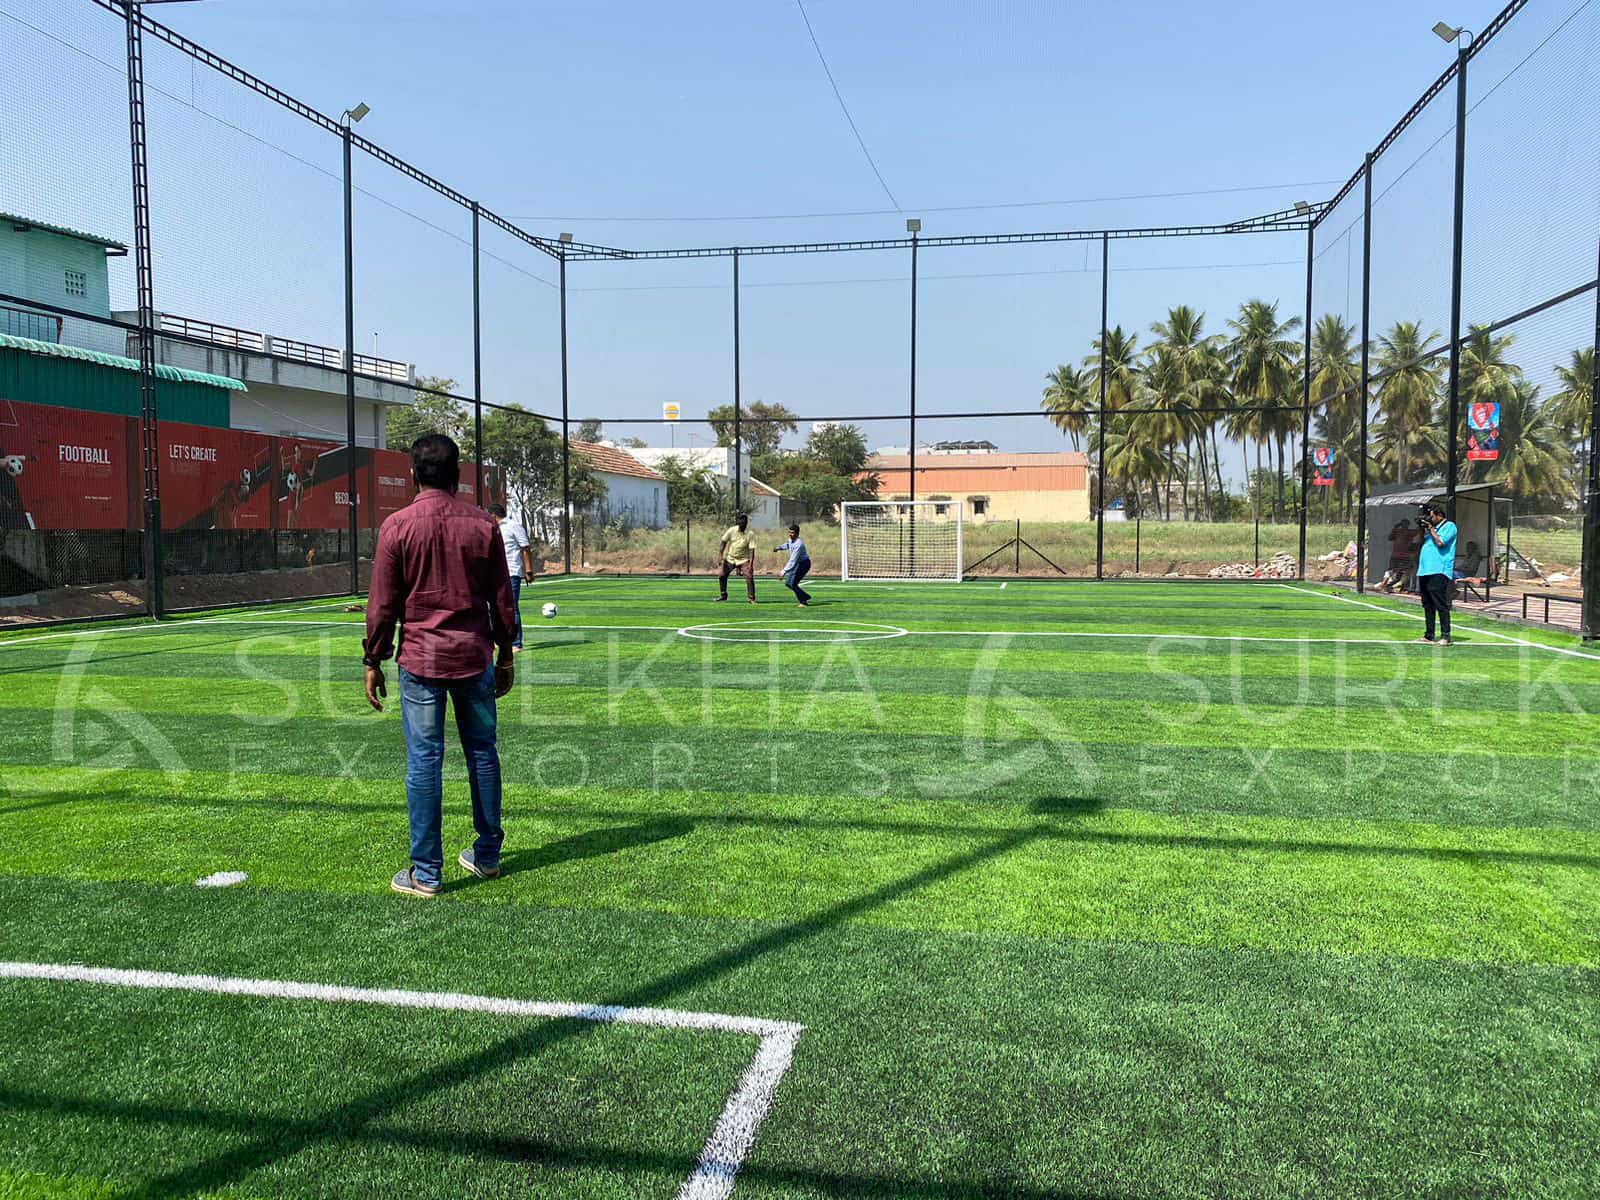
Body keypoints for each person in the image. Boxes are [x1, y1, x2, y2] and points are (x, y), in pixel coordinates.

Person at [363, 434, 518, 898]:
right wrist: (506, 650)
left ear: (413, 475)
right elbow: (501, 600)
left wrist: (373, 658)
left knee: (425, 760)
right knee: (482, 753)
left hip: (421, 661)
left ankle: (426, 873)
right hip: (474, 657)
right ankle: (487, 854)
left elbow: (382, 604)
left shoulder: (397, 526)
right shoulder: (484, 525)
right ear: (458, 475)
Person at [489, 503, 533, 652]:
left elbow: (525, 547)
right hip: (495, 573)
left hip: (512, 572)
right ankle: (498, 640)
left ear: (494, 515)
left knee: (512, 607)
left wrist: (528, 570)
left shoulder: (514, 526)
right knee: (494, 607)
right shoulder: (492, 528)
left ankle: (516, 643)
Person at [1415, 502, 1457, 646]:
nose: (1430, 519)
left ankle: (1446, 635)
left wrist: (1431, 528)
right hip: (1425, 570)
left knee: (1440, 603)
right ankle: (1429, 634)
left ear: (1439, 516)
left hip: (1440, 570)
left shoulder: (1449, 526)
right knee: (1427, 603)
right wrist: (1422, 529)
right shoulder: (1431, 530)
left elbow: (1440, 543)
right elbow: (1418, 542)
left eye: (1431, 517)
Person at [716, 511, 759, 604]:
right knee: (721, 575)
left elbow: (752, 550)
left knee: (749, 577)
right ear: (738, 523)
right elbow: (723, 542)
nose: (742, 525)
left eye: (744, 524)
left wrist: (751, 565)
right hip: (730, 558)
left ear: (746, 523)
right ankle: (723, 595)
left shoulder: (750, 534)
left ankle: (751, 598)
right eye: (740, 524)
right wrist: (720, 555)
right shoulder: (732, 530)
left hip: (744, 559)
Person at [774, 523, 812, 607]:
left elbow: (792, 560)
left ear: (797, 534)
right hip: (797, 564)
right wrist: (779, 548)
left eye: (792, 533)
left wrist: (783, 571)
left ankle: (803, 601)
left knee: (793, 583)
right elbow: (788, 544)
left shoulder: (799, 544)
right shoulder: (791, 539)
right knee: (788, 583)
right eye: (789, 532)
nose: (790, 534)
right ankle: (805, 597)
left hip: (803, 564)